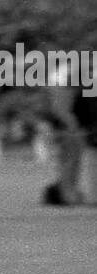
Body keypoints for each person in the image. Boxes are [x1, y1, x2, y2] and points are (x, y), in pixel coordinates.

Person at [40, 60, 97, 205]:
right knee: (70, 163)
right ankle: (67, 195)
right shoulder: (63, 85)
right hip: (67, 129)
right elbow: (62, 111)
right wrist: (75, 128)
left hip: (66, 128)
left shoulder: (62, 82)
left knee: (70, 163)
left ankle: (68, 194)